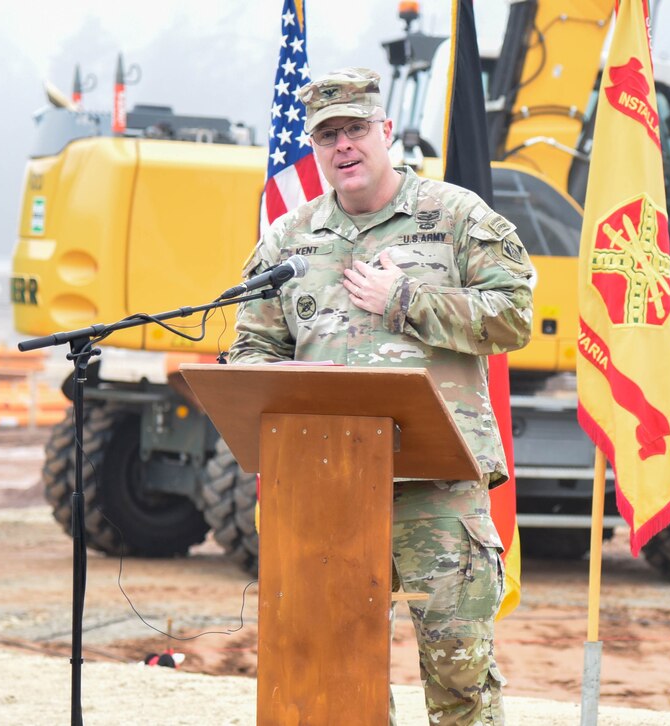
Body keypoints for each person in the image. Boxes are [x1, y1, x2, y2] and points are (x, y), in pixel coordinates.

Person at [229, 67, 534, 725]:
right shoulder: (289, 239)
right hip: (325, 487)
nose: (344, 146)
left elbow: (516, 315)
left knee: (459, 668)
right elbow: (254, 351)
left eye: (356, 130)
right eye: (328, 135)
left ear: (386, 131)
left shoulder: (454, 217)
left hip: (437, 486)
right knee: (334, 673)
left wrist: (411, 302)